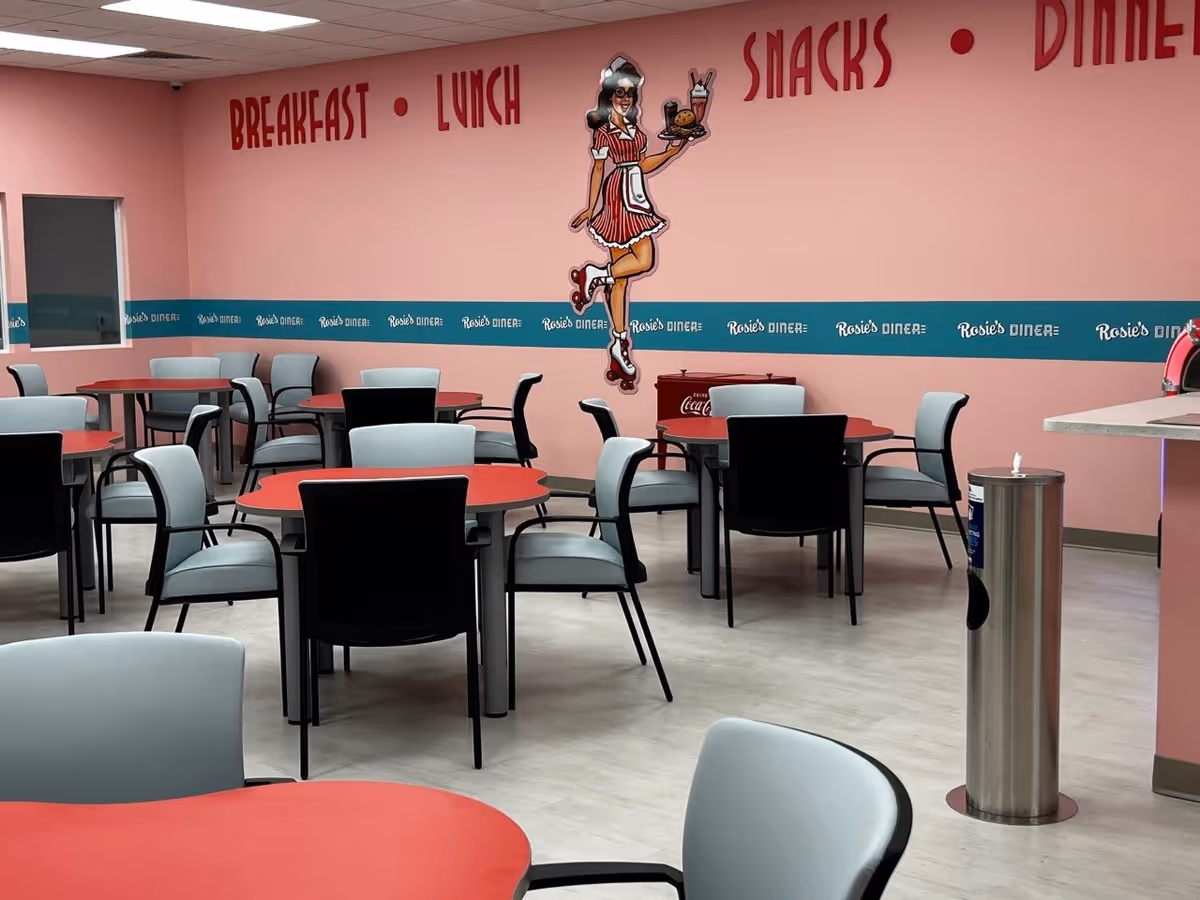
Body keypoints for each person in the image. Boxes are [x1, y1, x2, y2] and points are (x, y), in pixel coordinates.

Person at [569, 56, 703, 393]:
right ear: (610, 94)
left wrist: (673, 152)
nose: (625, 98)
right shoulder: (604, 132)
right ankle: (606, 304)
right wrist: (590, 206)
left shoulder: (635, 128)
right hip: (619, 195)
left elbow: (642, 163)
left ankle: (614, 338)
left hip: (635, 189)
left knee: (627, 273)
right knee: (635, 268)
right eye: (620, 93)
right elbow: (600, 169)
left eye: (630, 93)